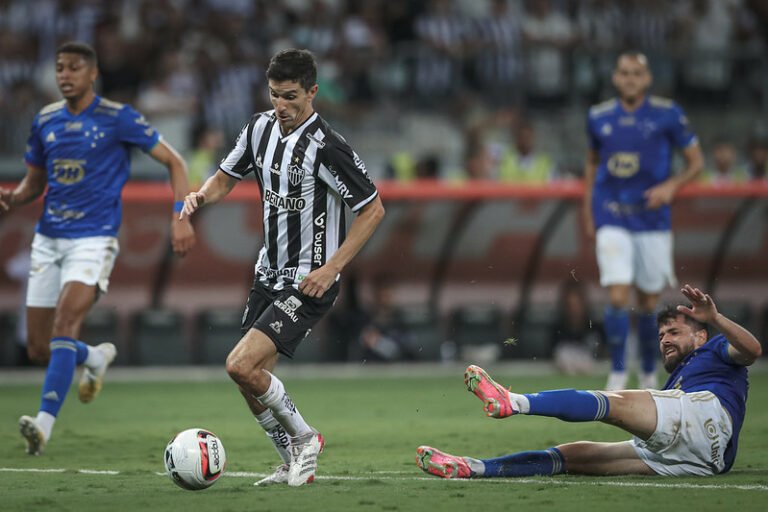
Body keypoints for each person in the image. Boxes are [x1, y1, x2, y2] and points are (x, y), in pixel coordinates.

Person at [180, 48, 385, 487]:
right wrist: (200, 196)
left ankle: (306, 437)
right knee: (249, 379)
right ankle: (290, 459)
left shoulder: (328, 147)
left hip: (309, 282)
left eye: (291, 96)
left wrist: (331, 269)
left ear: (312, 92)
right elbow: (224, 179)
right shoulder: (258, 129)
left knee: (239, 365)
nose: (282, 106)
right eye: (275, 95)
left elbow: (372, 210)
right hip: (267, 274)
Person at [0, 42, 196, 455]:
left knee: (64, 327)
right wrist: (13, 199)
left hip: (93, 239)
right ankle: (93, 357)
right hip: (48, 239)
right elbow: (35, 183)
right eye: (59, 68)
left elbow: (175, 162)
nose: (64, 75)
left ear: (93, 75)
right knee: (38, 348)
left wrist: (180, 217)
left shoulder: (117, 117)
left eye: (73, 68)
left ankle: (43, 425)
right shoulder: (45, 121)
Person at [416, 284, 762, 479]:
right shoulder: (680, 379)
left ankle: (515, 401)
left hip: (705, 420)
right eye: (660, 335)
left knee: (612, 403)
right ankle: (473, 469)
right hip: (704, 461)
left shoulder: (716, 350)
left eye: (675, 331)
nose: (665, 339)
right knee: (575, 456)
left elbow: (752, 349)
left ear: (701, 336)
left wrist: (715, 318)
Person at [582, 51, 704, 391]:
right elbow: (591, 164)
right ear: (615, 78)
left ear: (647, 79)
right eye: (624, 73)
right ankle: (618, 373)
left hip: (652, 220)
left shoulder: (668, 114)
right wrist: (588, 210)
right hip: (612, 215)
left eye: (637, 73)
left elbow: (695, 162)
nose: (630, 79)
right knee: (618, 295)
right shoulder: (598, 117)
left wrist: (671, 185)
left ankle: (649, 372)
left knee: (649, 301)